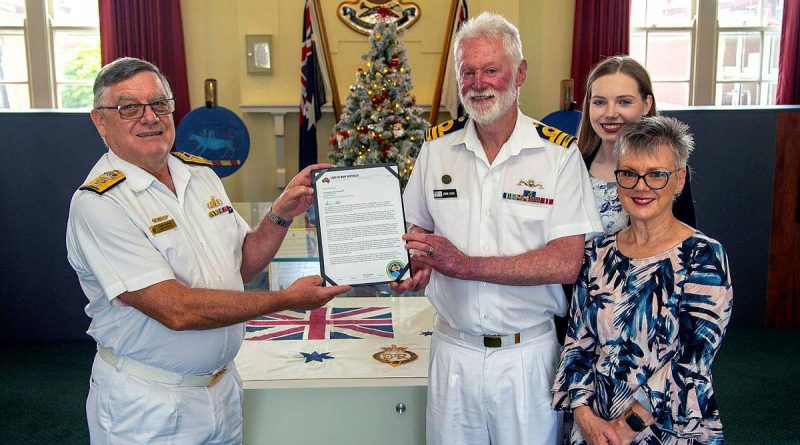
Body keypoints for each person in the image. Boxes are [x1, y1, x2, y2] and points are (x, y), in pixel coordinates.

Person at [66, 57, 350, 444]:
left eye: (159, 104)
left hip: (222, 390)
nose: (149, 117)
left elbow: (242, 265)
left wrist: (280, 214)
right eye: (129, 107)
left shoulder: (200, 175)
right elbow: (176, 310)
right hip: (150, 404)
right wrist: (286, 299)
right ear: (100, 121)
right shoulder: (99, 204)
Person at [393, 12, 603, 445]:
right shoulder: (435, 151)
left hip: (526, 359)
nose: (478, 82)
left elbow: (566, 262)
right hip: (453, 353)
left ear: (520, 73)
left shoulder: (557, 156)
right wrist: (414, 265)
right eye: (467, 71)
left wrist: (465, 265)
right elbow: (414, 232)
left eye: (491, 69)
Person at [552, 116, 733, 445]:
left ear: (680, 179)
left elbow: (692, 360)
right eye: (629, 174)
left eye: (656, 175)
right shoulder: (596, 254)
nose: (640, 186)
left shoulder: (703, 256)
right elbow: (577, 342)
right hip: (594, 428)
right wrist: (584, 415)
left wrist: (626, 427)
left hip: (667, 429)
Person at [577, 56, 696, 235]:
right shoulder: (569, 165)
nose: (610, 113)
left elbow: (684, 244)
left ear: (646, 104)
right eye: (600, 102)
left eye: (624, 102)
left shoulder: (667, 171)